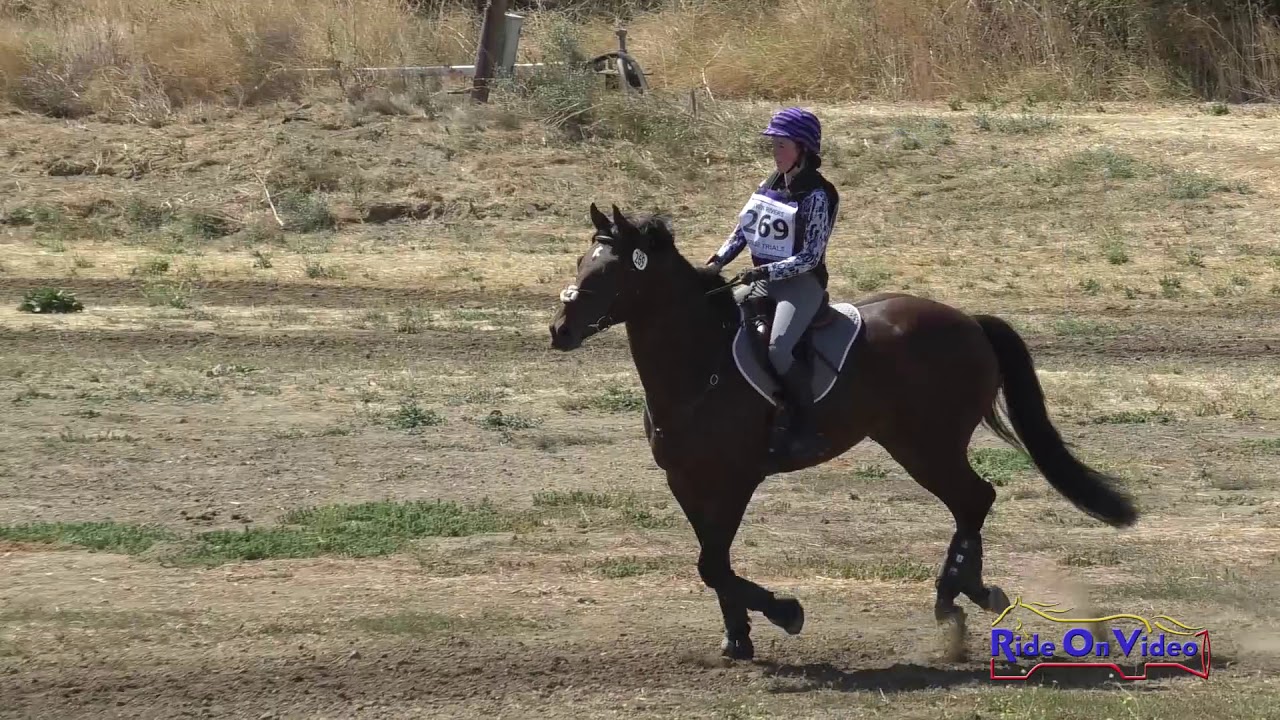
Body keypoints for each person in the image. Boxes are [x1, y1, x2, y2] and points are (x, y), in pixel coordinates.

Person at [705, 106, 841, 467]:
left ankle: (806, 428)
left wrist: (764, 274)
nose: (775, 152)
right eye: (774, 145)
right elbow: (743, 231)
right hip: (762, 280)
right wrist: (716, 262)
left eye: (781, 145)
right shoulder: (770, 183)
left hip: (800, 285)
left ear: (803, 149)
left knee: (779, 349)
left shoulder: (818, 194)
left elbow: (811, 256)